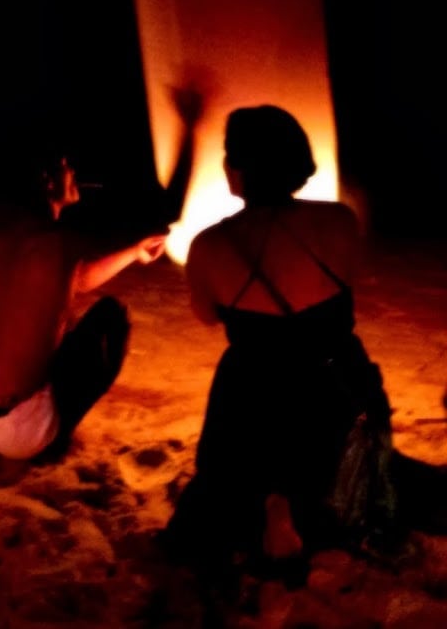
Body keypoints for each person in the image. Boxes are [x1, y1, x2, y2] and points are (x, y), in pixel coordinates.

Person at [164, 104, 406, 575]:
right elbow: (350, 279)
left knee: (234, 435)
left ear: (238, 169)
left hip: (256, 395)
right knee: (360, 457)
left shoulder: (210, 244)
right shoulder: (340, 221)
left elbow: (207, 317)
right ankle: (306, 504)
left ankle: (271, 501)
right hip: (335, 383)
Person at [0, 88, 203, 461]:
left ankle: (33, 426)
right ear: (48, 180)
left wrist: (133, 252)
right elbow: (167, 212)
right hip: (22, 431)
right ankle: (57, 439)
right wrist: (190, 126)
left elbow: (76, 279)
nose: (73, 172)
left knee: (59, 326)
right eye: (65, 167)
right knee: (109, 317)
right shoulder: (60, 240)